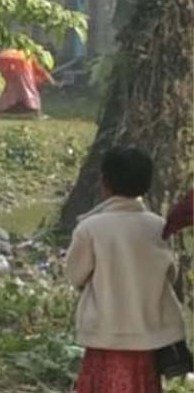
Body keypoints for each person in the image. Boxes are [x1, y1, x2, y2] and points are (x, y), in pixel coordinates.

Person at [66, 148, 187, 393]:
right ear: (146, 184)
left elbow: (75, 275)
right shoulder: (159, 227)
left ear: (104, 182)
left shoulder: (90, 228)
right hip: (147, 337)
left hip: (104, 335)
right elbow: (169, 274)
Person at [0, 49, 55, 116]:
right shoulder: (28, 56)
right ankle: (34, 110)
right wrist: (49, 79)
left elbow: (3, 71)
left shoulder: (9, 59)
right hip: (26, 82)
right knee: (29, 95)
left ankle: (8, 109)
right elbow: (38, 69)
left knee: (13, 95)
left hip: (16, 82)